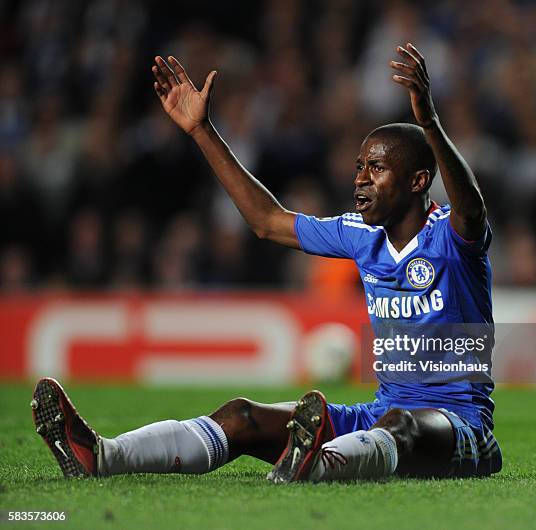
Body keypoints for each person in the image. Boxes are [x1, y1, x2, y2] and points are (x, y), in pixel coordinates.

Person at [32, 43, 502, 482]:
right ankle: (102, 454)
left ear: (419, 180)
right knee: (241, 415)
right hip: (377, 415)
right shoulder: (359, 237)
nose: (360, 179)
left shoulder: (452, 235)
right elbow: (267, 220)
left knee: (403, 424)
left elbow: (471, 207)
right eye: (359, 166)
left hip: (460, 426)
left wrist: (431, 122)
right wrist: (201, 131)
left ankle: (312, 465)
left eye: (376, 168)